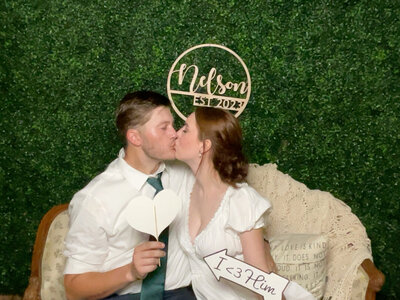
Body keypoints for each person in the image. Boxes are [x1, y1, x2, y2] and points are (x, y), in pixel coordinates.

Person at [63, 91, 196, 300]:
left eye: (173, 125)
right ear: (135, 137)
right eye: (163, 128)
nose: (174, 133)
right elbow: (73, 288)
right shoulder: (95, 199)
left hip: (181, 295)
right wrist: (130, 271)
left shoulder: (187, 173)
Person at [174, 107, 315, 300]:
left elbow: (264, 286)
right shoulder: (184, 190)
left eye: (185, 129)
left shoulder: (240, 200)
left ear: (204, 146)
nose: (176, 134)